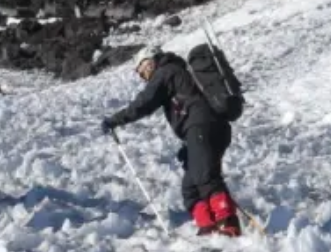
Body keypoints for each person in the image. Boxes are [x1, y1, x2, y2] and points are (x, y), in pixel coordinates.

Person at [103, 44, 242, 237]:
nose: (142, 76)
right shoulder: (177, 72)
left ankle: (228, 222)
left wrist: (114, 120)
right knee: (191, 186)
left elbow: (144, 102)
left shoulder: (165, 71)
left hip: (201, 127)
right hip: (210, 128)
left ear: (149, 62)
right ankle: (207, 226)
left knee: (205, 176)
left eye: (141, 70)